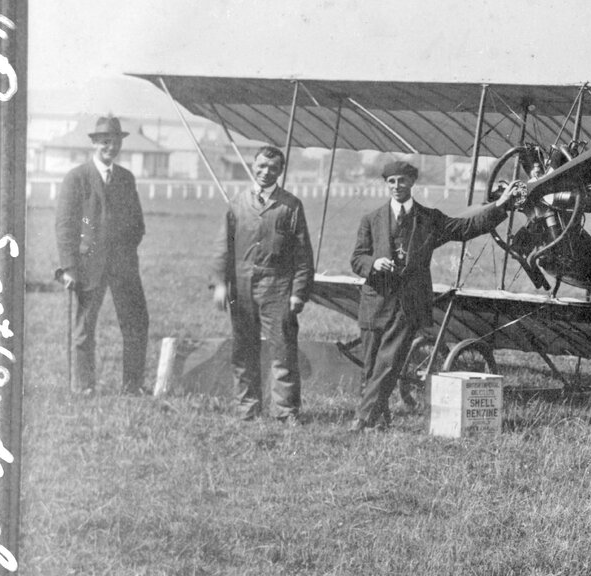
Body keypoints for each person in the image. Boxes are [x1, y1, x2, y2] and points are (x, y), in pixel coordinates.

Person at [349, 160, 523, 431]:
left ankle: (362, 418)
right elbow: (357, 258)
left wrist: (501, 205)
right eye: (391, 181)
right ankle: (378, 419)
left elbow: (466, 228)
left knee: (389, 362)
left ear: (412, 183)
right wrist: (373, 263)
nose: (397, 186)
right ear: (386, 184)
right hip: (375, 302)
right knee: (371, 366)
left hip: (409, 303)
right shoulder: (371, 220)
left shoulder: (429, 218)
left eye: (402, 181)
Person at [212, 145, 314, 423]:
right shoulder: (237, 203)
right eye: (261, 166)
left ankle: (285, 412)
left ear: (281, 171)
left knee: (282, 349)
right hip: (242, 286)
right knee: (243, 349)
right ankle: (247, 410)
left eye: (272, 168)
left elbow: (303, 255)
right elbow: (224, 247)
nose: (266, 172)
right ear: (253, 167)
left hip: (277, 285)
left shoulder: (290, 206)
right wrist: (221, 284)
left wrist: (298, 293)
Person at [54, 114, 149, 395]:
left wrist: (123, 251)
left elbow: (138, 224)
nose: (110, 147)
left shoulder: (126, 178)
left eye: (115, 142)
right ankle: (83, 386)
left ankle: (133, 386)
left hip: (124, 267)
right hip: (87, 267)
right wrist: (69, 267)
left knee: (136, 324)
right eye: (105, 142)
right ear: (95, 143)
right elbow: (65, 225)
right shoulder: (77, 178)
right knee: (83, 328)